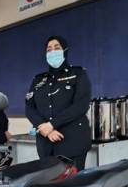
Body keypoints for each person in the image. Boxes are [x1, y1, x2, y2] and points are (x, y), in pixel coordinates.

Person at [25, 36, 92, 170]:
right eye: (49, 50)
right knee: (50, 186)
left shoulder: (78, 74)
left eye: (57, 48)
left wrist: (52, 124)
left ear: (65, 50)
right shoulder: (38, 80)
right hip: (46, 145)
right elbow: (29, 108)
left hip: (72, 143)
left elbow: (81, 105)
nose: (52, 52)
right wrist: (46, 129)